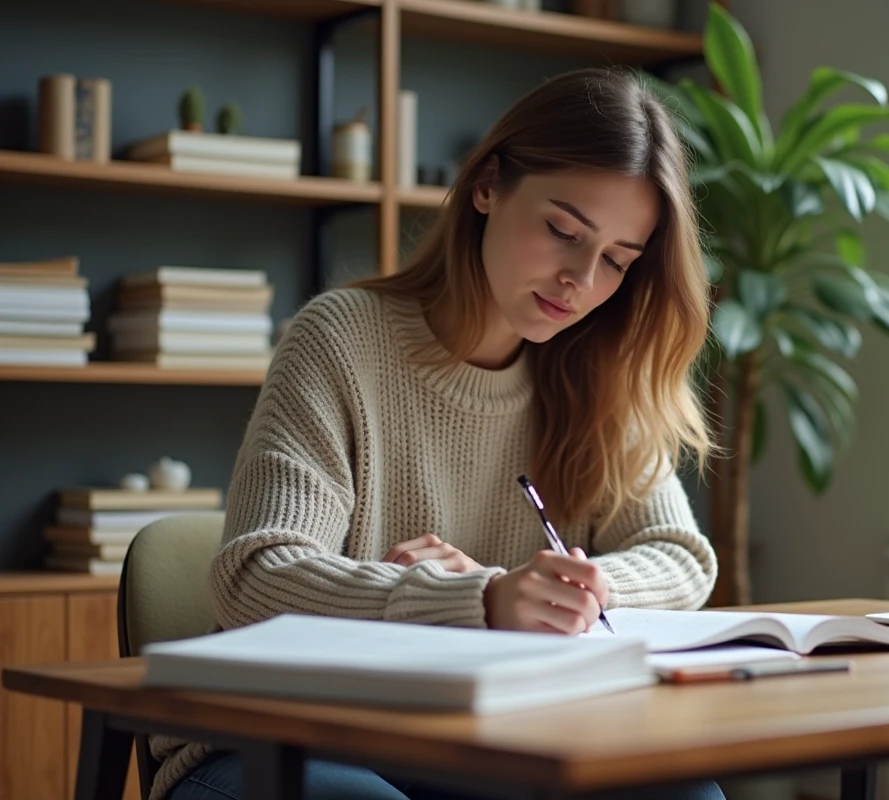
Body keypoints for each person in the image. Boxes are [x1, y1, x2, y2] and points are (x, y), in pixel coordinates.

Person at [159, 67, 724, 800]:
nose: (580, 281)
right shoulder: (340, 341)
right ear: (486, 186)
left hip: (477, 738)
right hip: (282, 738)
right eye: (563, 231)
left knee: (683, 792)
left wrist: (569, 592)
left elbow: (682, 559)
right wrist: (480, 601)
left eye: (617, 260)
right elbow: (253, 579)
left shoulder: (600, 370)